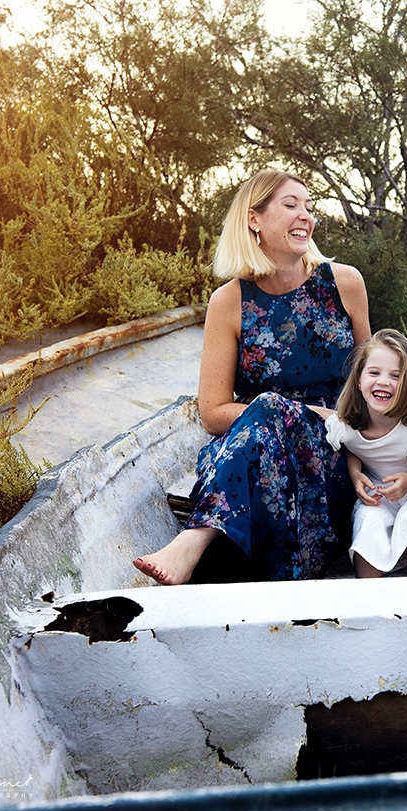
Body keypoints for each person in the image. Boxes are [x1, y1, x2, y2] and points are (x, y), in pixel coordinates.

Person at [134, 170, 370, 585]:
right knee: (266, 410)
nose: (306, 217)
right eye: (290, 205)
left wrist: (312, 416)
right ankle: (211, 550)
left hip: (330, 453)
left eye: (309, 208)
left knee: (269, 406)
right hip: (252, 453)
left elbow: (373, 382)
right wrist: (280, 414)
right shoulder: (228, 301)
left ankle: (193, 542)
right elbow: (212, 412)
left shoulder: (345, 283)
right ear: (253, 219)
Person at [324, 329, 407, 577]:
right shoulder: (346, 423)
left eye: (396, 376)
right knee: (368, 524)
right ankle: (370, 607)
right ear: (359, 379)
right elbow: (352, 446)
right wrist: (356, 475)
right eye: (374, 373)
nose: (383, 381)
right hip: (378, 490)